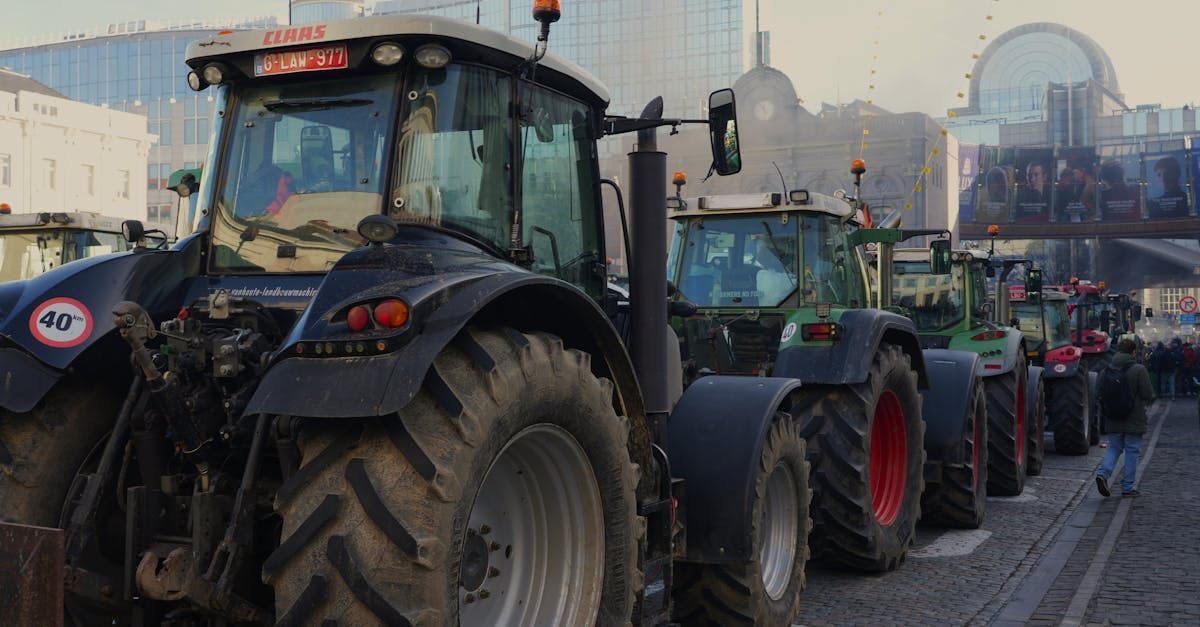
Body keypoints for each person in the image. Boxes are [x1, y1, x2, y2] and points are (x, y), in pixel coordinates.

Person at [1095, 339, 1156, 497]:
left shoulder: (1106, 370)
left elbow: (1097, 393)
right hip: (1134, 418)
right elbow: (1148, 395)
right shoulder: (1139, 369)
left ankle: (1103, 474)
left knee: (1114, 448)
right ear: (1133, 352)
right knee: (1132, 451)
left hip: (1113, 417)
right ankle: (1127, 488)